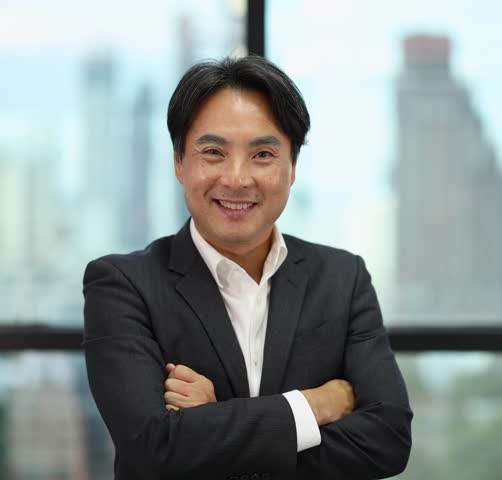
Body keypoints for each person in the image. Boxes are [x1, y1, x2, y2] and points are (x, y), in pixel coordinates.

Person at [83, 55, 412, 480]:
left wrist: (214, 422)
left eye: (262, 154)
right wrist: (317, 405)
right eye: (213, 152)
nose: (237, 178)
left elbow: (388, 442)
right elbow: (152, 448)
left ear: (292, 167)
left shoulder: (342, 278)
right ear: (179, 163)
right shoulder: (123, 285)